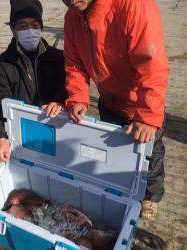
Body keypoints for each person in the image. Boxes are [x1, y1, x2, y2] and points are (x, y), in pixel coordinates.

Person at [62, 0, 170, 219]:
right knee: (115, 154)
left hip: (140, 106)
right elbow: (74, 64)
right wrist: (78, 98)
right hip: (109, 101)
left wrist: (148, 116)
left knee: (151, 157)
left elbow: (153, 65)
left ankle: (151, 195)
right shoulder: (72, 17)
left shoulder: (135, 6)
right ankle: (122, 189)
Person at [0, 0, 67, 163]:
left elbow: (67, 88)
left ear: (41, 27)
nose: (30, 30)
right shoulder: (2, 64)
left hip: (53, 123)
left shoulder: (58, 57)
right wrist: (1, 138)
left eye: (34, 25)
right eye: (22, 25)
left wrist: (60, 101)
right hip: (22, 128)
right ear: (13, 30)